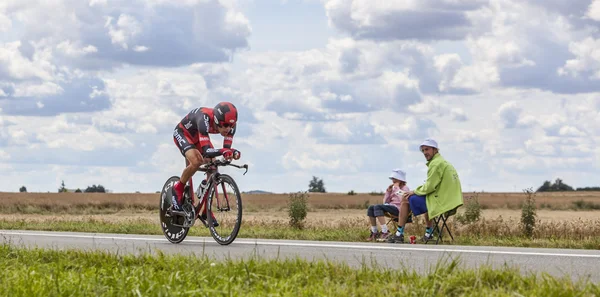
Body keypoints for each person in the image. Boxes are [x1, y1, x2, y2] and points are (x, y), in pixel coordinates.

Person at [387, 138, 463, 243]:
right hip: (449, 200)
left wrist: (414, 191)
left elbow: (429, 187)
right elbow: (432, 186)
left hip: (441, 201)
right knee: (426, 200)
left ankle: (399, 233)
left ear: (435, 150)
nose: (424, 153)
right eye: (423, 150)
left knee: (405, 198)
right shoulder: (444, 162)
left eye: (427, 150)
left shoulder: (435, 164)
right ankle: (429, 233)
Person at [171, 102, 242, 214]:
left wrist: (230, 154)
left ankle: (206, 211)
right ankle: (178, 188)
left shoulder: (231, 125)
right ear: (217, 121)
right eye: (225, 125)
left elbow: (226, 149)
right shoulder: (204, 119)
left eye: (231, 126)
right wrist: (224, 151)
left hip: (198, 137)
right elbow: (207, 151)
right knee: (197, 160)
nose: (228, 129)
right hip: (183, 134)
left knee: (213, 165)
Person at [366, 169, 410, 242]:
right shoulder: (392, 189)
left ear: (401, 180)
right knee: (371, 208)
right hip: (391, 206)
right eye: (393, 179)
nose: (393, 181)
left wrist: (396, 188)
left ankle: (385, 231)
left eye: (395, 179)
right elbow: (385, 202)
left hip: (399, 209)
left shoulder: (405, 188)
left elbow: (402, 200)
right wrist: (388, 192)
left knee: (377, 207)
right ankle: (375, 232)